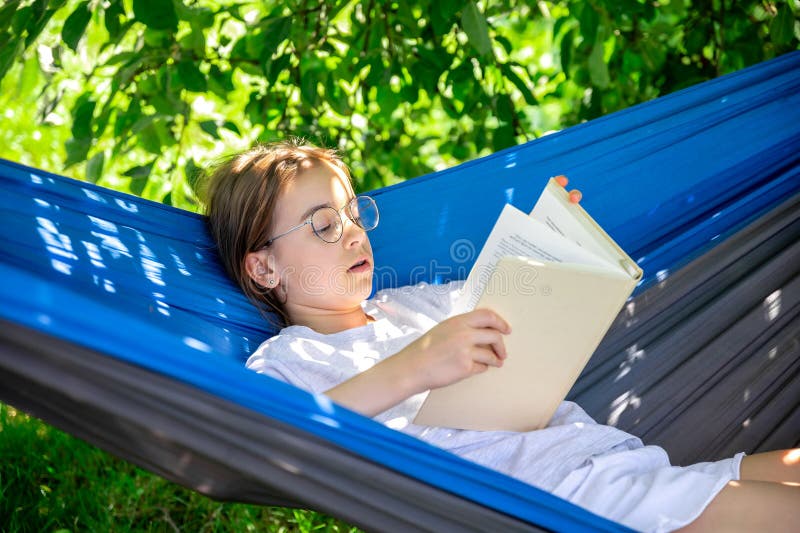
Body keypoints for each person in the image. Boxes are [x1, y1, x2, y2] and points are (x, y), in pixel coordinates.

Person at [203, 139, 799, 532]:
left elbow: (519, 310)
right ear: (263, 268)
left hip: (606, 459)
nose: (354, 235)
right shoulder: (290, 360)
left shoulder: (417, 303)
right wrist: (414, 367)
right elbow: (267, 445)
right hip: (558, 502)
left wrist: (554, 243)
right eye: (324, 225)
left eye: (355, 215)